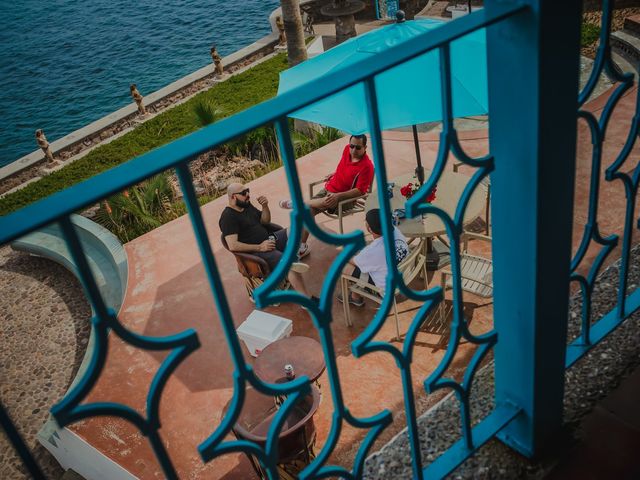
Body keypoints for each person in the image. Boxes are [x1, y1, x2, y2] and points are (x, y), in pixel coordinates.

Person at [280, 134, 374, 258]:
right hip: (329, 188)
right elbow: (344, 168)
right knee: (306, 211)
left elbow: (360, 191)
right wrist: (335, 174)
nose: (353, 150)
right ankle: (301, 247)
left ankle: (296, 204)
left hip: (344, 200)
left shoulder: (367, 166)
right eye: (351, 146)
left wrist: (338, 196)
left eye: (357, 148)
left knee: (307, 210)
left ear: (365, 147)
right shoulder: (346, 149)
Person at [219, 183, 316, 300]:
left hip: (270, 239)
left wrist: (265, 206)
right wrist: (260, 247)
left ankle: (298, 250)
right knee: (289, 264)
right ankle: (306, 300)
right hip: (257, 251)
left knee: (302, 222)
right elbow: (233, 245)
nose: (248, 195)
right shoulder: (228, 217)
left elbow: (265, 221)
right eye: (244, 193)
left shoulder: (246, 205)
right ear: (233, 197)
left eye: (248, 190)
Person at [338, 208, 409, 306]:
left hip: (386, 289)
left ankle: (355, 298)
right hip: (403, 275)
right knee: (365, 262)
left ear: (369, 229)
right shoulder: (395, 231)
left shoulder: (374, 250)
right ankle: (356, 295)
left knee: (345, 266)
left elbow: (353, 261)